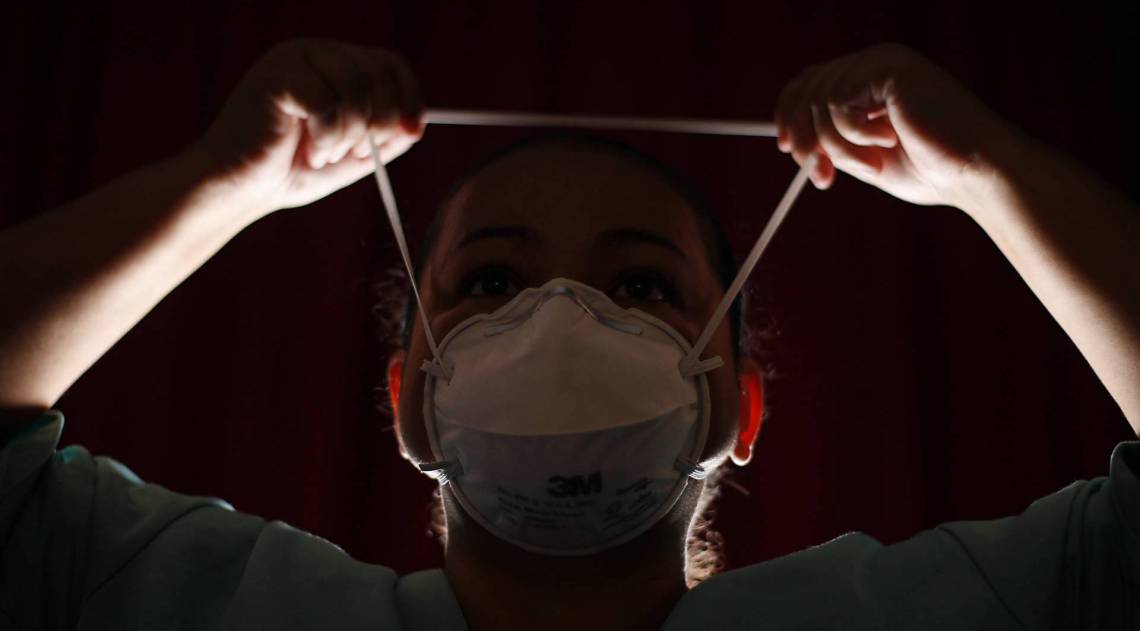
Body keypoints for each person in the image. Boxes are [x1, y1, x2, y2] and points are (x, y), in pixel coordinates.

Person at [0, 38, 1137, 630]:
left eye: (640, 285)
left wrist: (991, 171)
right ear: (408, 398)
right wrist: (219, 181)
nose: (558, 317)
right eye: (493, 278)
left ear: (738, 405)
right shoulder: (204, 607)